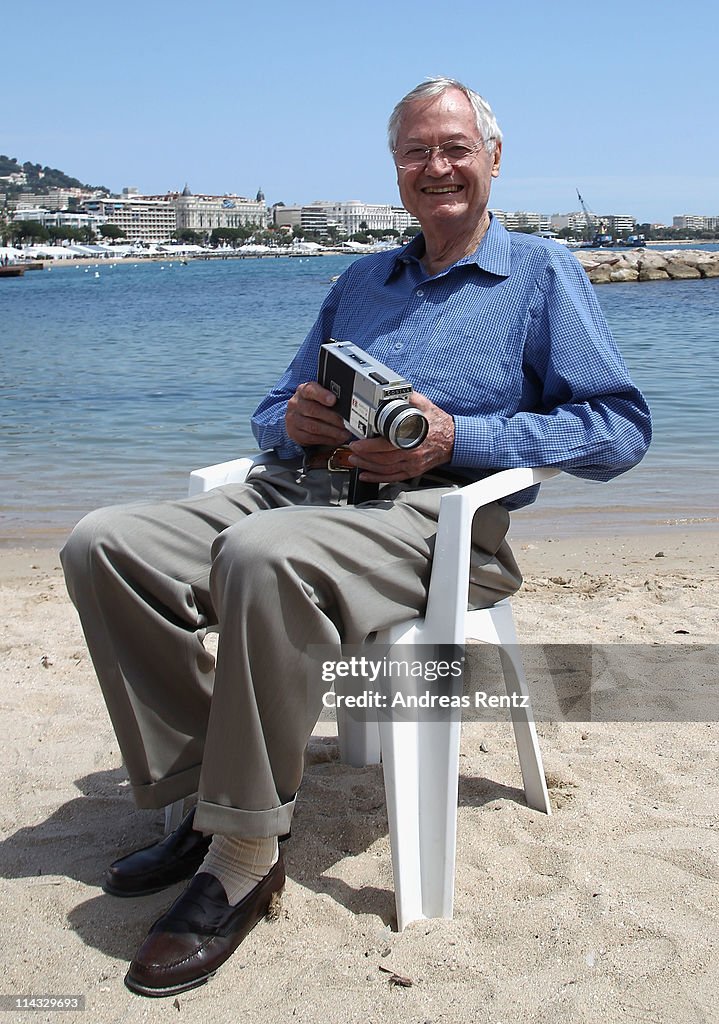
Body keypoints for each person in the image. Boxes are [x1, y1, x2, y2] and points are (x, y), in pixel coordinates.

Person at [61, 77, 651, 998]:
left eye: (455, 146)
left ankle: (246, 855)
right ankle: (212, 794)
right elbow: (270, 408)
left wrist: (463, 437)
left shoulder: (539, 274)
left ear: (493, 158)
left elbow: (620, 430)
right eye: (415, 152)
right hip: (304, 489)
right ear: (396, 171)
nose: (436, 167)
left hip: (436, 521)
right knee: (102, 543)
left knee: (263, 557)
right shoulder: (358, 279)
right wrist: (292, 422)